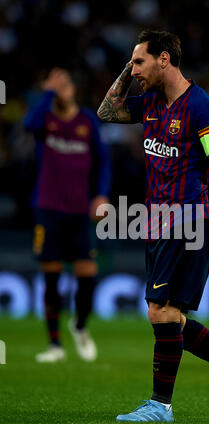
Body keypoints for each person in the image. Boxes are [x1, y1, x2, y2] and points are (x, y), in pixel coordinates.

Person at [97, 30, 209, 422]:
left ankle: (161, 406)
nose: (134, 70)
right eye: (132, 63)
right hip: (156, 220)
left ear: (164, 59)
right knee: (167, 316)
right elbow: (107, 111)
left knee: (161, 312)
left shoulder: (202, 107)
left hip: (189, 219)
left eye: (139, 62)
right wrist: (129, 69)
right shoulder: (152, 103)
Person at [24, 68, 111, 363]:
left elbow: (104, 162)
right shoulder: (45, 120)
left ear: (73, 87)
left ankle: (80, 325)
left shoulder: (87, 120)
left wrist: (101, 195)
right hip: (47, 207)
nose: (61, 88)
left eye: (64, 82)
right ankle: (54, 345)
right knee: (51, 275)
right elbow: (27, 124)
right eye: (54, 83)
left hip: (78, 211)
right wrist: (47, 92)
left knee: (87, 273)